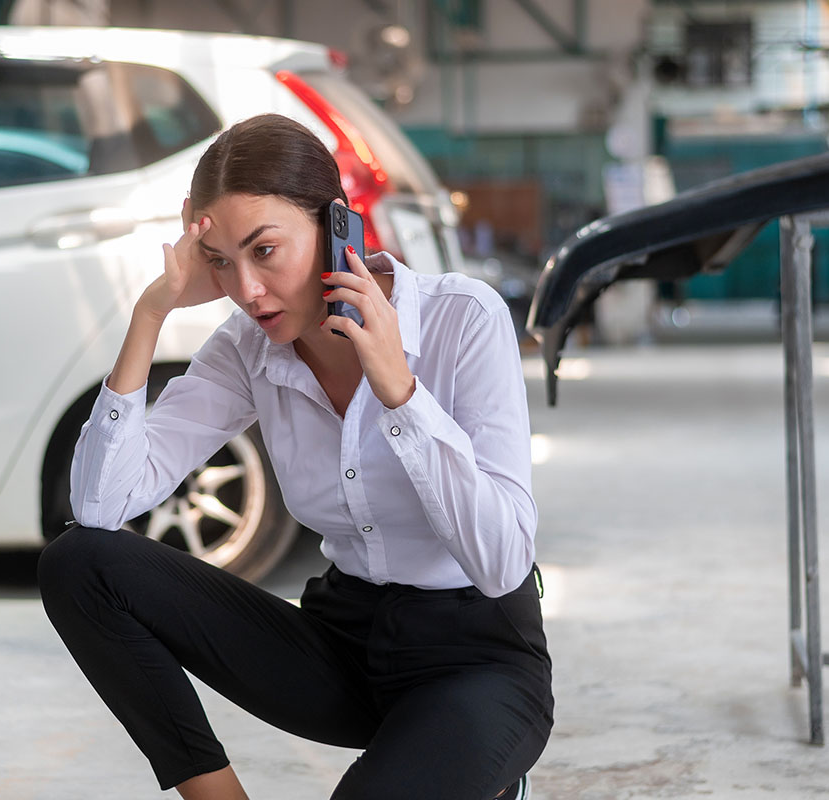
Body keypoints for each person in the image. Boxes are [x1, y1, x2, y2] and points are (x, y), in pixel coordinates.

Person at [38, 113, 553, 800]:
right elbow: (100, 506)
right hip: (344, 645)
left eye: (265, 251)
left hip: (476, 661)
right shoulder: (247, 349)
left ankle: (481, 773)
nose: (246, 290)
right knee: (80, 564)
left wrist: (399, 390)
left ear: (336, 226)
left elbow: (502, 559)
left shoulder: (465, 319)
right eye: (220, 261)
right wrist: (151, 314)